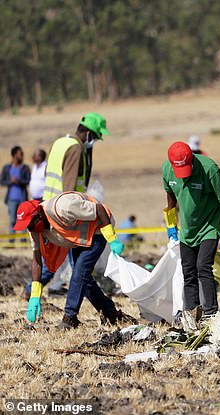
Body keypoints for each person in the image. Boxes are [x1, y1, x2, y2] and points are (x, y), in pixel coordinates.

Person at [13, 191, 133, 328]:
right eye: (26, 225)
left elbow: (100, 209)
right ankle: (110, 313)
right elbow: (37, 259)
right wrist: (35, 295)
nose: (30, 228)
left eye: (30, 223)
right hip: (77, 237)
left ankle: (70, 317)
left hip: (98, 229)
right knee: (83, 279)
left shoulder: (64, 207)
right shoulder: (34, 228)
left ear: (39, 215)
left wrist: (112, 239)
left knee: (79, 272)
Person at [25, 112, 110, 297]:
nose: (95, 141)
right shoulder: (76, 149)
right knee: (74, 264)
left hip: (48, 206)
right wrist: (73, 213)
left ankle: (32, 291)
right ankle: (34, 292)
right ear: (88, 134)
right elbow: (69, 187)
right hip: (64, 211)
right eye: (95, 137)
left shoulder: (60, 143)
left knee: (62, 258)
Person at [162, 141, 220, 318]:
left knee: (203, 266)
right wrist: (171, 224)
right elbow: (170, 197)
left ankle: (211, 313)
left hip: (210, 224)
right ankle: (192, 314)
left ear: (192, 160)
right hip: (188, 229)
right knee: (188, 271)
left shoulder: (209, 169)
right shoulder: (167, 170)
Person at [1, 146, 30, 240]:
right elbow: (2, 181)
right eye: (20, 154)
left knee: (23, 220)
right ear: (14, 155)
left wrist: (18, 181)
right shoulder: (7, 168)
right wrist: (11, 181)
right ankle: (11, 240)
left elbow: (27, 181)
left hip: (22, 198)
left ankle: (23, 240)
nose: (22, 156)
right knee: (12, 220)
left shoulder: (25, 168)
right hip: (11, 199)